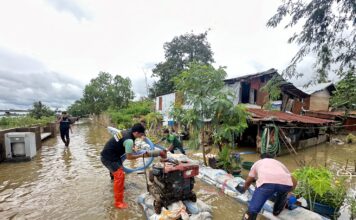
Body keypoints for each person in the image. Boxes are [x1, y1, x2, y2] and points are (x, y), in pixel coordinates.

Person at [100, 123, 166, 209]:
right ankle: (118, 203)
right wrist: (141, 155)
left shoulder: (127, 132)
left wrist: (133, 148)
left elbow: (127, 144)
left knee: (116, 173)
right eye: (141, 134)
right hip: (109, 158)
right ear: (136, 132)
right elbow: (129, 157)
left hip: (112, 154)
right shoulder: (129, 140)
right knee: (120, 176)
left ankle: (115, 185)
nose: (142, 136)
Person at [236, 153, 297, 220]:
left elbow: (249, 181)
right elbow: (293, 180)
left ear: (260, 158)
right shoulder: (279, 163)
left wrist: (244, 189)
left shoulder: (258, 163)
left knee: (253, 210)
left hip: (266, 184)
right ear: (272, 158)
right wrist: (289, 192)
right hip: (286, 184)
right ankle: (276, 211)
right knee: (282, 193)